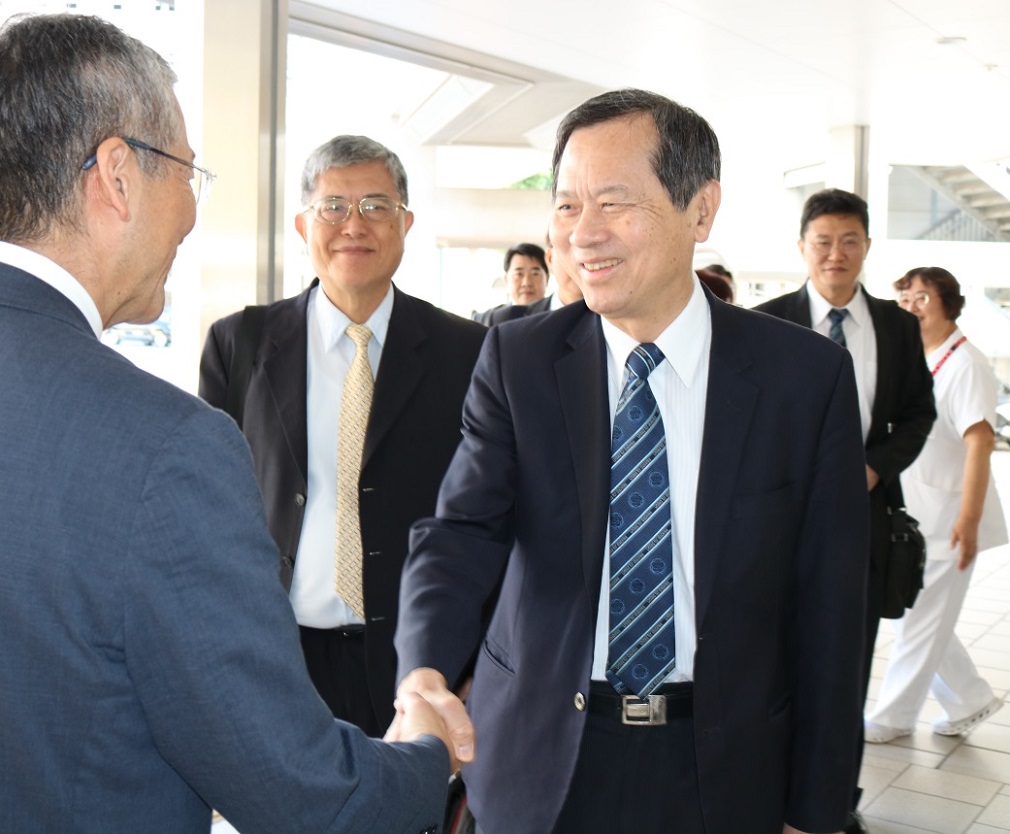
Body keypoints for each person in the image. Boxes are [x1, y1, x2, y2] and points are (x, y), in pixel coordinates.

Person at [0, 13, 454, 832]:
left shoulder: (463, 347)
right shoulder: (163, 446)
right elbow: (302, 795)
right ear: (117, 176)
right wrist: (429, 754)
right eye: (185, 171)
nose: (190, 210)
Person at [392, 88, 870, 834]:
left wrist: (817, 808)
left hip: (726, 767)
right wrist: (423, 668)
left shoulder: (802, 380)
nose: (584, 235)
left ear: (701, 209)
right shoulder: (521, 362)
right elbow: (460, 534)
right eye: (566, 206)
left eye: (614, 203)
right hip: (544, 758)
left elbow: (833, 610)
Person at [200, 135, 486, 735]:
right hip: (279, 657)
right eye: (334, 206)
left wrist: (470, 664)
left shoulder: (469, 353)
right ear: (305, 224)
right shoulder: (240, 345)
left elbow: (489, 517)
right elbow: (209, 509)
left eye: (376, 206)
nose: (353, 225)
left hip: (416, 667)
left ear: (405, 224)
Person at [754, 188, 936, 833]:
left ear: (866, 247)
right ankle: (771, 788)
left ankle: (835, 798)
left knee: (845, 662)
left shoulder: (894, 326)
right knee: (771, 656)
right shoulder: (765, 321)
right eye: (823, 241)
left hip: (863, 521)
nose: (836, 254)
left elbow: (919, 413)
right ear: (803, 247)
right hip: (779, 521)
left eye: (850, 241)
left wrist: (873, 466)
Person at [864, 267, 1007, 742]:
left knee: (921, 618)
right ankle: (970, 698)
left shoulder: (967, 364)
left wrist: (967, 519)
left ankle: (893, 717)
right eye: (903, 296)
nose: (911, 305)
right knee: (922, 610)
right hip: (924, 513)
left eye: (922, 297)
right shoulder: (923, 358)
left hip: (952, 518)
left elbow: (980, 443)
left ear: (949, 304)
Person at [473, 242, 550, 324]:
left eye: (535, 274)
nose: (526, 283)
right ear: (506, 280)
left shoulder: (558, 316)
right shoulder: (487, 320)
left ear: (547, 279)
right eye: (519, 274)